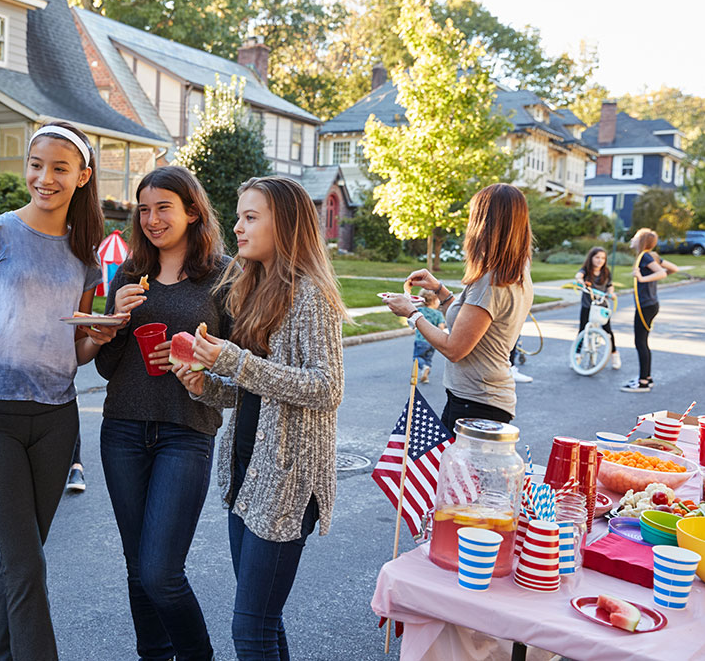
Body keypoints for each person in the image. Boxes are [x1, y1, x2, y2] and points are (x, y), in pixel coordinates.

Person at [0, 121, 119, 660]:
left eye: (59, 169)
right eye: (35, 165)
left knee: (19, 561)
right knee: (26, 564)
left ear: (82, 177)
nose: (43, 178)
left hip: (56, 419)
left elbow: (75, 350)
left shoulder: (85, 255)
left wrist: (96, 337)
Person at [174, 176, 346, 661]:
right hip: (248, 473)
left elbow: (327, 388)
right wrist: (206, 385)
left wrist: (234, 361)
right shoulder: (252, 286)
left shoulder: (311, 294)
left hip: (288, 480)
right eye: (239, 215)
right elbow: (253, 392)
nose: (238, 226)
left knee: (250, 629)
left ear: (285, 225)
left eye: (252, 217)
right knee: (264, 624)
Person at [95, 166, 230, 661]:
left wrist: (195, 360)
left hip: (186, 430)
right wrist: (116, 324)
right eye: (144, 209)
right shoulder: (130, 274)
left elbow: (238, 364)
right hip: (123, 429)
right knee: (137, 567)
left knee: (161, 572)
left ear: (193, 211)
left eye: (163, 208)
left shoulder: (224, 276)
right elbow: (110, 366)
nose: (152, 220)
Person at [383, 183, 533, 434]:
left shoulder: (491, 282)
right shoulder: (514, 273)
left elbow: (455, 349)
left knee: (454, 474)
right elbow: (470, 325)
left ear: (486, 224)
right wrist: (439, 290)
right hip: (479, 400)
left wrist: (412, 313)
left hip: (476, 404)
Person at [620, 228, 677, 393]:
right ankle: (647, 378)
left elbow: (662, 274)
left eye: (635, 237)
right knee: (642, 342)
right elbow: (673, 269)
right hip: (650, 304)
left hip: (645, 305)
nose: (632, 239)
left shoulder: (645, 256)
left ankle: (643, 382)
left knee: (640, 342)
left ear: (641, 241)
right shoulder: (652, 256)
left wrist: (642, 278)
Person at [574, 246, 620, 370]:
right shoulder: (586, 271)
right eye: (597, 257)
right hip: (588, 305)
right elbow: (579, 276)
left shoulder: (606, 272)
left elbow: (610, 286)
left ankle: (614, 354)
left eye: (603, 258)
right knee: (583, 330)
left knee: (608, 330)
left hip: (601, 306)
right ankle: (577, 355)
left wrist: (611, 293)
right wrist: (580, 281)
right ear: (591, 258)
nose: (600, 260)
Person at [413, 289, 446, 384]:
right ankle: (425, 375)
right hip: (432, 342)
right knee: (428, 358)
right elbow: (441, 327)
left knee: (417, 357)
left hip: (421, 340)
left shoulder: (420, 311)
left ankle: (424, 368)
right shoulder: (438, 314)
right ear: (435, 301)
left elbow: (413, 321)